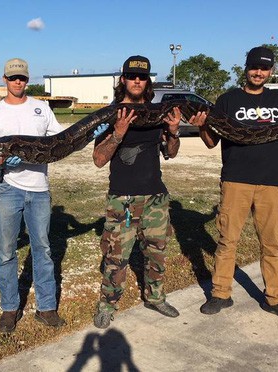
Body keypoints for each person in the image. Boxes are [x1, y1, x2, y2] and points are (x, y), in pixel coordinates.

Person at [189, 46, 278, 323]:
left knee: (271, 243)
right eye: (255, 67)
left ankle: (275, 299)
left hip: (271, 182)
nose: (259, 72)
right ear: (245, 68)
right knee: (227, 240)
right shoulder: (227, 100)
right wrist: (201, 126)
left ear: (271, 71)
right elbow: (211, 143)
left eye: (265, 68)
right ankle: (221, 294)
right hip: (235, 180)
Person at [0, 58, 102, 334]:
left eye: (22, 78)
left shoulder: (41, 108)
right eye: (13, 78)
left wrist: (88, 135)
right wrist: (2, 163)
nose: (18, 82)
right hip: (8, 189)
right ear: (5, 80)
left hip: (39, 189)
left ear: (27, 79)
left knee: (43, 249)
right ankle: (10, 309)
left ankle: (46, 308)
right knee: (6, 252)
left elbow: (63, 140)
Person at [92, 55, 183, 329]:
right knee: (116, 257)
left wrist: (174, 132)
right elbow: (98, 159)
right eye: (132, 76)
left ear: (147, 81)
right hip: (123, 199)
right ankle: (107, 305)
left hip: (155, 196)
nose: (136, 81)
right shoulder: (111, 114)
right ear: (123, 79)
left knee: (156, 252)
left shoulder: (158, 113)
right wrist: (118, 134)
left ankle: (155, 297)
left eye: (142, 77)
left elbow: (170, 153)